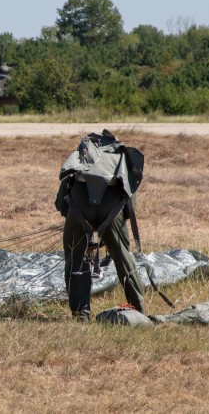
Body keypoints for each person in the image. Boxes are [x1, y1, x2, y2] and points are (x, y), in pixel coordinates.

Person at [55, 129, 145, 321]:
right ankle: (138, 310)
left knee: (75, 258)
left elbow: (61, 203)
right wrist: (113, 230)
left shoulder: (81, 153)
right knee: (123, 258)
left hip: (78, 206)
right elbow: (130, 202)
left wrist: (74, 220)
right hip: (114, 208)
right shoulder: (121, 157)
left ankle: (81, 314)